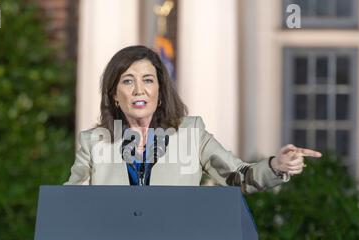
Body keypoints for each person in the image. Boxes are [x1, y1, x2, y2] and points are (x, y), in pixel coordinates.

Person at [64, 45, 322, 193]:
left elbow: (239, 177)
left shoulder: (191, 133)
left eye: (148, 80)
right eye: (128, 81)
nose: (139, 90)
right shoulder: (94, 142)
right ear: (115, 95)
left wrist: (277, 165)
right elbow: (72, 201)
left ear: (160, 93)